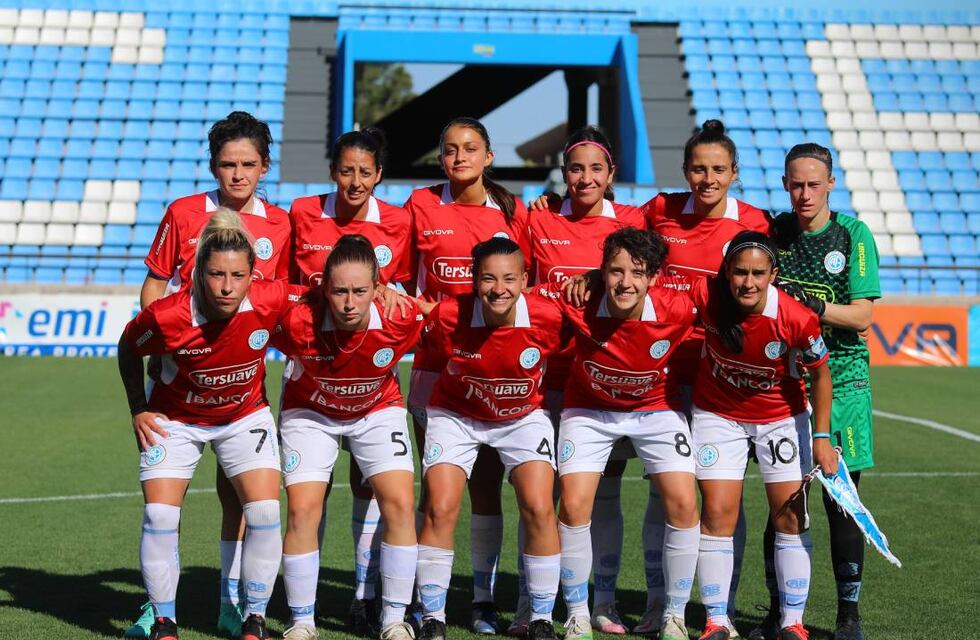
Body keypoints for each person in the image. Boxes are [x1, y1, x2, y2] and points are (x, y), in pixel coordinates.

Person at [548, 120, 770, 636]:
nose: (707, 178)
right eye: (698, 168)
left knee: (703, 497)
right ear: (685, 171)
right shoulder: (660, 211)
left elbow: (762, 286)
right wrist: (555, 211)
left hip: (712, 378)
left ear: (734, 172)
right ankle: (632, 604)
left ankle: (717, 607)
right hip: (645, 373)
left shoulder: (755, 221)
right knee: (614, 491)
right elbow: (613, 237)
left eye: (717, 169)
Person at [127, 111, 291, 639]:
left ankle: (233, 603)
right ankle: (161, 610)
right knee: (164, 510)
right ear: (213, 166)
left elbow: (279, 303)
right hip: (178, 385)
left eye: (247, 164)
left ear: (264, 167)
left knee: (241, 500)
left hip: (241, 390)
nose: (237, 175)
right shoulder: (182, 213)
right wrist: (171, 339)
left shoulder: (280, 223)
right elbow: (153, 289)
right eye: (226, 164)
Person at [540, 228, 701, 640]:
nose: (625, 282)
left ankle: (673, 615)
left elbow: (730, 296)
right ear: (601, 271)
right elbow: (520, 296)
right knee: (574, 506)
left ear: (654, 278)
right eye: (615, 271)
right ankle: (579, 613)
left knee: (684, 503)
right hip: (589, 411)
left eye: (637, 272)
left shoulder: (678, 308)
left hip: (654, 410)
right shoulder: (576, 301)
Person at [405, 117, 531, 634]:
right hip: (434, 367)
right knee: (435, 493)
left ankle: (482, 600)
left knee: (486, 488)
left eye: (470, 148)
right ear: (441, 158)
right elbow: (397, 276)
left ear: (489, 156)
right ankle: (420, 600)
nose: (460, 157)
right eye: (451, 150)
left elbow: (529, 283)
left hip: (496, 367)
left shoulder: (513, 210)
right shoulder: (418, 205)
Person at [518, 126, 646, 637]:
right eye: (576, 168)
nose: (585, 178)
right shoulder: (540, 217)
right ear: (564, 172)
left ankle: (605, 601)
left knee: (602, 496)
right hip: (544, 379)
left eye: (596, 169)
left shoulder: (634, 221)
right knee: (540, 497)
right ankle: (535, 603)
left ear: (611, 174)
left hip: (603, 385)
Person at [750, 144, 880, 640]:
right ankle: (778, 612)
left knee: (841, 502)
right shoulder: (774, 232)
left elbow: (863, 315)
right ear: (786, 184)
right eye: (795, 184)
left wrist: (811, 308)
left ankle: (849, 615)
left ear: (830, 183)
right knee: (785, 502)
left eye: (813, 184)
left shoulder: (852, 235)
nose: (804, 194)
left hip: (843, 383)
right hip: (784, 386)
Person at [288, 127, 413, 633]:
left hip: (372, 382)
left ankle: (381, 608)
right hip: (313, 378)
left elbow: (406, 287)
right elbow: (283, 280)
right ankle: (301, 616)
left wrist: (388, 294)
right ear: (332, 170)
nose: (355, 181)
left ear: (379, 174)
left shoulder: (399, 222)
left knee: (390, 497)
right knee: (305, 504)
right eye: (346, 170)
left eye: (366, 172)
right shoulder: (301, 213)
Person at [688, 231, 838, 640]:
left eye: (758, 273)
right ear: (726, 272)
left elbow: (821, 375)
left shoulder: (796, 317)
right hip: (718, 414)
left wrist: (821, 437)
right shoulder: (705, 295)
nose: (748, 282)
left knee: (790, 515)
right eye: (739, 272)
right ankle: (717, 619)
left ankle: (792, 623)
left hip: (780, 418)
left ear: (773, 273)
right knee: (717, 512)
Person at [274, 235, 424, 640]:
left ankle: (393, 618)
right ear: (324, 287)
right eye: (339, 291)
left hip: (376, 410)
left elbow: (447, 318)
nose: (349, 302)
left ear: (379, 289)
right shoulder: (296, 320)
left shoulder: (402, 317)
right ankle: (302, 621)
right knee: (303, 510)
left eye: (360, 291)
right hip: (311, 412)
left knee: (400, 503)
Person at [414, 237, 562, 640]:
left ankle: (542, 617)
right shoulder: (448, 315)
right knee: (441, 508)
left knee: (538, 506)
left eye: (509, 278)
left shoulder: (549, 316)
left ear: (525, 279)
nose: (499, 288)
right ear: (473, 280)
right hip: (456, 415)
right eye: (488, 279)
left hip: (522, 417)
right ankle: (432, 617)